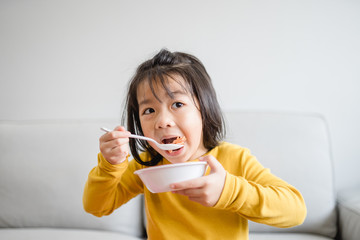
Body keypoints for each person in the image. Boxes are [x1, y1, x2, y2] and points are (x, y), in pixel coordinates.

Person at [83, 49, 306, 240]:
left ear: (204, 110)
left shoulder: (235, 159)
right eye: (149, 110)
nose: (162, 121)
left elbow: (295, 210)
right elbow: (96, 206)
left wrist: (229, 191)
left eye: (177, 104)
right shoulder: (147, 165)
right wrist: (109, 165)